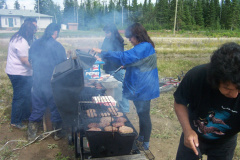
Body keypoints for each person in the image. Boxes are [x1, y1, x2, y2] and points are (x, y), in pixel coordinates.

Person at [92, 23, 160, 150]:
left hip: (144, 88)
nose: (129, 40)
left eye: (131, 38)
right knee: (141, 114)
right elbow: (139, 61)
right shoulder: (144, 46)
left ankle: (146, 142)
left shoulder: (144, 46)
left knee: (144, 115)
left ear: (137, 36)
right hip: (140, 86)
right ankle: (141, 137)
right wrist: (127, 65)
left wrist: (103, 52)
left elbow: (124, 56)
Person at [174, 42, 240, 160]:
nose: (234, 95)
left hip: (225, 143)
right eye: (227, 88)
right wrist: (187, 130)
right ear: (215, 80)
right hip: (192, 133)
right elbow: (180, 103)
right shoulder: (197, 76)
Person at [27, 23, 67, 141]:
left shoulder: (35, 44)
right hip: (52, 82)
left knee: (37, 106)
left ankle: (31, 135)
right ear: (55, 32)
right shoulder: (58, 46)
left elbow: (31, 60)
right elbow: (63, 65)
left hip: (37, 80)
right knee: (56, 107)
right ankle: (57, 133)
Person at [5, 22, 36, 129]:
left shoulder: (17, 37)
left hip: (18, 72)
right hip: (18, 73)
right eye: (33, 31)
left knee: (26, 95)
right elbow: (24, 60)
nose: (34, 34)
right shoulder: (21, 42)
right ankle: (15, 121)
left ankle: (25, 116)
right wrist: (36, 68)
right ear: (28, 31)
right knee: (19, 97)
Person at [101, 24, 130, 113]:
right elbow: (103, 51)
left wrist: (104, 55)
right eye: (105, 32)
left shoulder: (117, 41)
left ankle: (124, 109)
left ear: (113, 32)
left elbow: (117, 55)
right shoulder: (106, 39)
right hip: (108, 68)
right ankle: (112, 107)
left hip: (116, 69)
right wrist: (100, 57)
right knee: (111, 89)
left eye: (108, 32)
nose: (106, 34)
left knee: (119, 89)